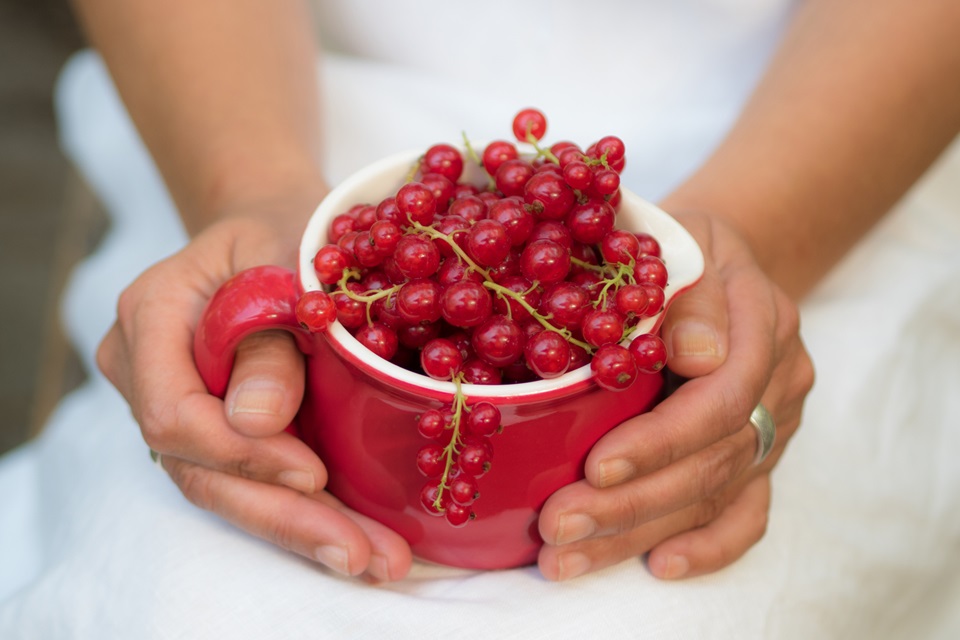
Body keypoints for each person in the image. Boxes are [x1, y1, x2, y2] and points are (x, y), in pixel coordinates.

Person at [1, 0, 958, 637]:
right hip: (253, 109)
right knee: (182, 601)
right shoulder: (397, 250)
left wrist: (740, 239)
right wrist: (246, 190)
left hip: (823, 148)